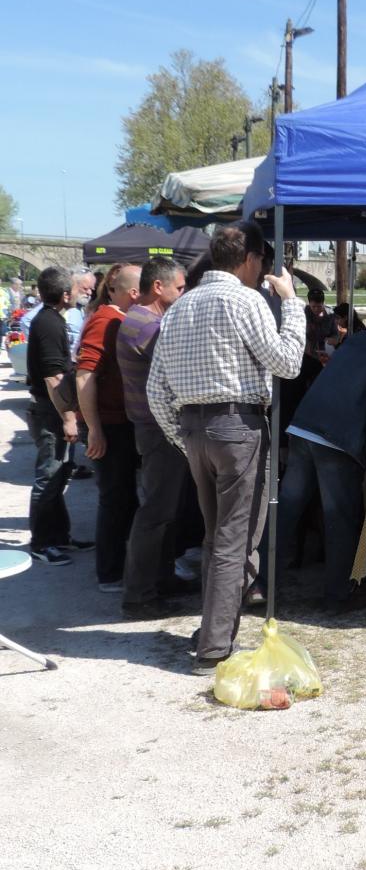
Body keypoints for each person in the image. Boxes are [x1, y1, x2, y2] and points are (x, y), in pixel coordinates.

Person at [148, 223, 304, 675]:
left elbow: (157, 389)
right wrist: (291, 303)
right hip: (236, 428)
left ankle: (214, 628)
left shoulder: (179, 308)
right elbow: (287, 363)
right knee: (235, 541)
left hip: (196, 430)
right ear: (250, 259)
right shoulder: (245, 300)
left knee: (219, 538)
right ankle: (215, 646)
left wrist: (184, 438)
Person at [277, 293, 366, 613]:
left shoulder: (359, 340)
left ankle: (259, 581)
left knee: (288, 510)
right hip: (337, 439)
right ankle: (337, 595)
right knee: (339, 517)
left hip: (303, 425)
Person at [117, 257, 190, 616]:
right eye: (180, 288)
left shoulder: (141, 320)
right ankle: (139, 595)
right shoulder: (146, 324)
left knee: (164, 510)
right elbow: (177, 363)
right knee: (155, 512)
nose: (184, 293)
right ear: (158, 287)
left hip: (154, 428)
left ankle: (160, 581)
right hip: (157, 429)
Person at [75, 262, 142, 593]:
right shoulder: (105, 319)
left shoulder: (115, 317)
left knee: (123, 497)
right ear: (133, 292)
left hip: (119, 423)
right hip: (110, 426)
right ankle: (110, 573)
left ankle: (117, 567)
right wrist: (94, 428)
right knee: (114, 499)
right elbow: (85, 375)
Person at [24, 266, 93, 566]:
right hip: (49, 411)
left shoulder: (48, 320)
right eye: (78, 290)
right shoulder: (50, 324)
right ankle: (41, 543)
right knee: (49, 476)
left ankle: (59, 536)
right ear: (65, 294)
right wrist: (67, 415)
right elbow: (53, 378)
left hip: (49, 409)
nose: (81, 294)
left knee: (60, 473)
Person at [21, 266, 95, 347]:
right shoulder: (61, 305)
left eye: (91, 289)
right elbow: (26, 321)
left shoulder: (81, 308)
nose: (89, 293)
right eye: (85, 288)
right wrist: (49, 343)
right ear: (73, 285)